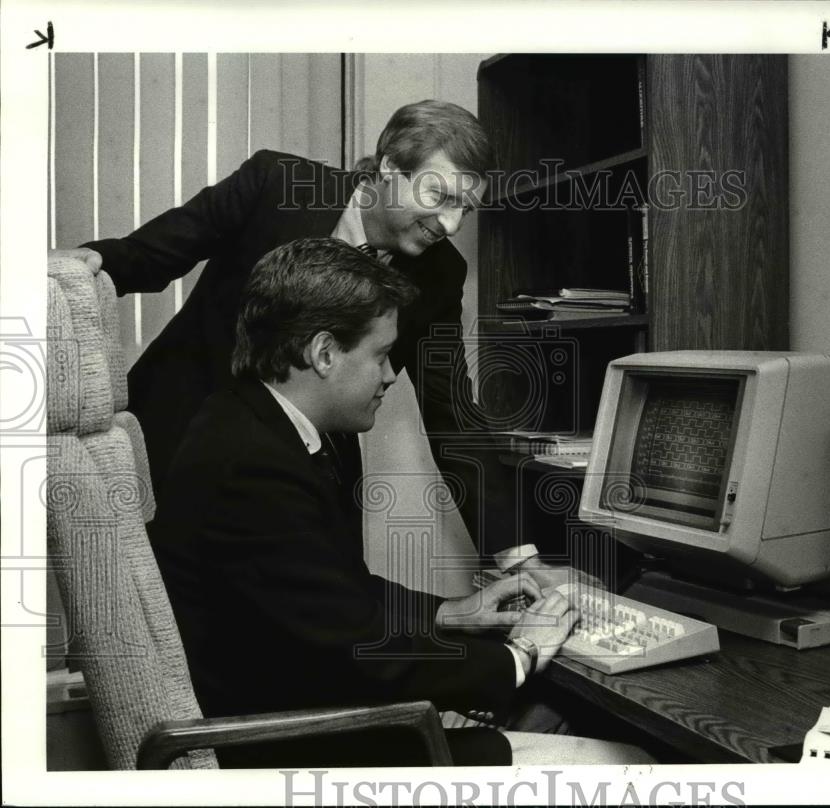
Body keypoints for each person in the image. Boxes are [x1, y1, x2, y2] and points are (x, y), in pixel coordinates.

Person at [147, 237, 650, 766]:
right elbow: (358, 654)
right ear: (322, 353)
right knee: (631, 763)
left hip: (296, 710)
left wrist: (450, 613)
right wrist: (517, 656)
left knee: (551, 716)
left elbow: (337, 598)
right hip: (294, 747)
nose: (391, 375)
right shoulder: (253, 466)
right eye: (382, 354)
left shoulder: (249, 424)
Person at [62, 99, 588, 588]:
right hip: (179, 442)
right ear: (387, 168)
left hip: (307, 476)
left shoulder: (441, 274)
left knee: (327, 626)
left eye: (466, 209)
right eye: (438, 196)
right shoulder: (276, 184)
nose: (449, 224)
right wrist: (82, 265)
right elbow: (152, 253)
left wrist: (518, 557)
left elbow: (451, 411)